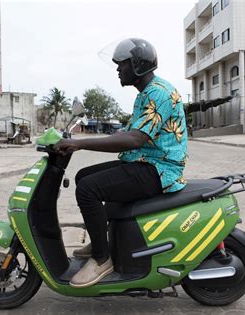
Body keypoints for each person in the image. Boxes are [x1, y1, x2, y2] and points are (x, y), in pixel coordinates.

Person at [54, 38, 188, 288]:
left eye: (122, 64)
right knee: (85, 176)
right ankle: (101, 240)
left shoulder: (158, 93)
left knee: (88, 189)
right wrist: (80, 141)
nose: (118, 70)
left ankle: (102, 259)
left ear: (137, 65)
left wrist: (81, 144)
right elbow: (125, 135)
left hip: (159, 170)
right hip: (145, 162)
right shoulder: (147, 93)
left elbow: (135, 139)